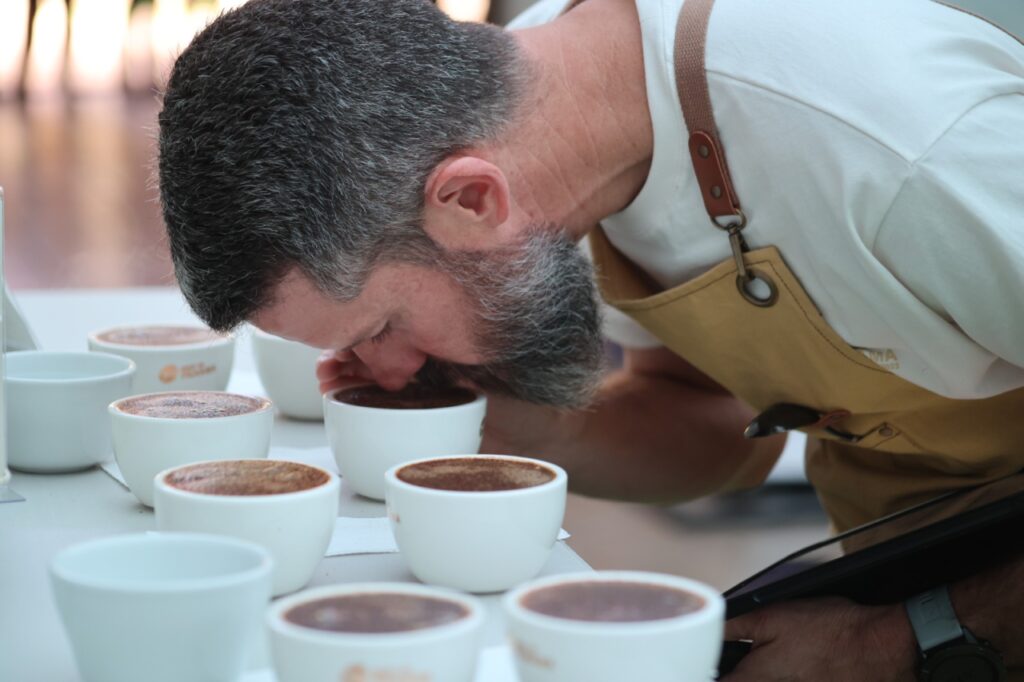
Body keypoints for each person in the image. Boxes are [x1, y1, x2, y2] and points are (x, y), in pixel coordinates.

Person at [157, 0, 1024, 679]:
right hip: (904, 558)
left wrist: (904, 642)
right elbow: (716, 424)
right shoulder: (547, 97)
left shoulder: (905, 151)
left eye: (386, 327)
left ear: (470, 201)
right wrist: (530, 427)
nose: (386, 369)